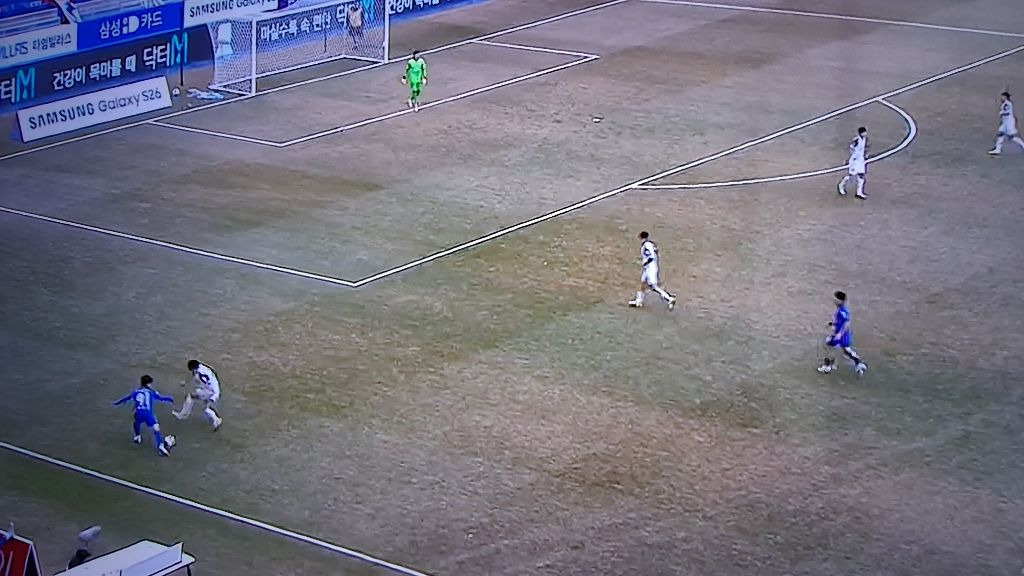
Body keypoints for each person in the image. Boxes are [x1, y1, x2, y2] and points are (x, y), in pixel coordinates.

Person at [113, 375, 175, 456]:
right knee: (156, 429)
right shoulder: (151, 392)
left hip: (139, 413)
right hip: (148, 414)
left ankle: (137, 436)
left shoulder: (136, 392)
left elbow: (126, 398)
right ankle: (160, 445)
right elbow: (161, 398)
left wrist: (117, 403)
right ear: (148, 384)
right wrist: (170, 399)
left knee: (136, 422)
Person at [818, 291, 868, 375]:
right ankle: (859, 363)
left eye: (836, 299)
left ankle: (828, 366)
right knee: (846, 350)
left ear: (841, 301)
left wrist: (839, 334)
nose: (834, 301)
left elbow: (847, 323)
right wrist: (832, 323)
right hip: (843, 335)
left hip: (841, 335)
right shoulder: (841, 310)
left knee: (828, 346)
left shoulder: (842, 311)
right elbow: (841, 321)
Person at [628, 231, 677, 310]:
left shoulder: (647, 245)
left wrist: (645, 263)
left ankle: (669, 298)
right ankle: (639, 301)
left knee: (653, 286)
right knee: (643, 283)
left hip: (651, 268)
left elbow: (652, 256)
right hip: (648, 267)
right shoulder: (650, 244)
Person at [173, 360, 223, 431]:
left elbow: (197, 377)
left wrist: (213, 397)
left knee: (194, 398)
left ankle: (182, 415)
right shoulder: (203, 368)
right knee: (205, 406)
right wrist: (186, 382)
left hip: (210, 392)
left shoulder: (200, 373)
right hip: (212, 390)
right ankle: (216, 421)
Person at [988, 91, 1024, 155]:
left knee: (1011, 137)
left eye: (1002, 97)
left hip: (1009, 123)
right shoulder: (1004, 103)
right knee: (1000, 135)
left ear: (1005, 97)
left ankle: (1023, 145)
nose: (1001, 98)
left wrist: (1002, 113)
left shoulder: (1008, 104)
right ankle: (997, 149)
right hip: (1005, 122)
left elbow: (1007, 112)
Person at [838, 127, 869, 199]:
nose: (865, 133)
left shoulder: (865, 139)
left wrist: (865, 155)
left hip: (861, 160)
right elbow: (851, 148)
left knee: (861, 175)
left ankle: (859, 193)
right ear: (861, 133)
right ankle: (841, 185)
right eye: (864, 132)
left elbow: (865, 147)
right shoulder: (856, 140)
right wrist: (850, 157)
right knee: (851, 176)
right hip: (854, 161)